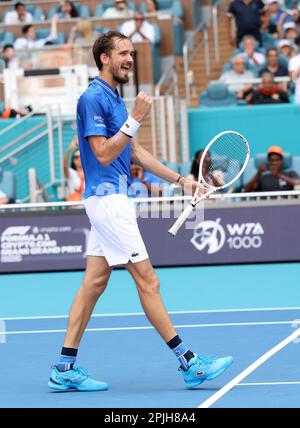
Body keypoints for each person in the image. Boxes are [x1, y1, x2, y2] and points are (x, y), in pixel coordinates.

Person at [48, 31, 233, 392]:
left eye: (132, 53)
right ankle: (190, 363)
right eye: (122, 53)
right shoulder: (92, 99)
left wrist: (182, 180)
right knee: (148, 280)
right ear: (103, 57)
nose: (129, 59)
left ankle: (64, 367)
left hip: (111, 200)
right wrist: (135, 119)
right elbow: (102, 154)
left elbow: (133, 153)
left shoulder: (115, 99)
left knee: (94, 282)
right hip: (108, 202)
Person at [63, 137, 85, 201]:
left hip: (87, 206)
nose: (79, 159)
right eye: (76, 157)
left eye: (81, 156)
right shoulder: (71, 173)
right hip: (75, 207)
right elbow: (64, 166)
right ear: (73, 160)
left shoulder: (89, 172)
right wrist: (70, 148)